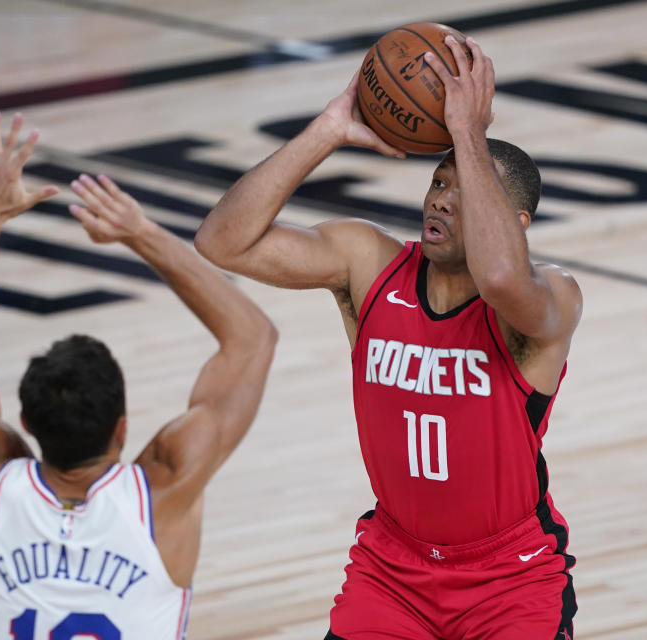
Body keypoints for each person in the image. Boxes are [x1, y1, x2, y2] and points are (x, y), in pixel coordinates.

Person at [195, 36, 581, 640]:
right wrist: (326, 130)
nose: (444, 201)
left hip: (511, 578)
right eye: (438, 182)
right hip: (393, 570)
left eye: (465, 188)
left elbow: (502, 273)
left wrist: (468, 133)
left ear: (517, 223)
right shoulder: (369, 264)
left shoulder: (548, 298)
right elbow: (223, 242)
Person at [0, 111, 277, 639]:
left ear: (25, 421)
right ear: (123, 426)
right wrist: (139, 233)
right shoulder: (165, 487)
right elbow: (252, 338)